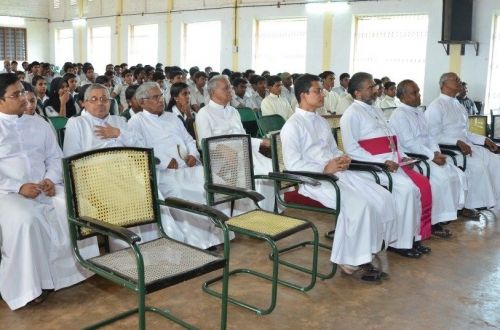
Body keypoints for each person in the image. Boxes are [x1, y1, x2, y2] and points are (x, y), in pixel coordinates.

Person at [281, 74, 396, 282]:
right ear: (303, 95)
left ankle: (368, 249)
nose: (322, 94)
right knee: (359, 205)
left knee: (381, 195)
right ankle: (351, 261)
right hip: (314, 180)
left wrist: (342, 158)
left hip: (337, 174)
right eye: (317, 91)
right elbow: (293, 166)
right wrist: (326, 167)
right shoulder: (292, 126)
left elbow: (332, 149)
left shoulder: (320, 121)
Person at [0, 73, 98, 310]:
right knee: (28, 220)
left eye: (23, 92)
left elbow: (55, 157)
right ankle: (31, 285)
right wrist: (18, 186)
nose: (24, 98)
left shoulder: (39, 123)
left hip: (44, 186)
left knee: (79, 206)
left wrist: (50, 179)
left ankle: (79, 269)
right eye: (16, 95)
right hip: (7, 192)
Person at [63, 83, 183, 247]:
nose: (100, 103)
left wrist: (117, 133)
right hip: (96, 176)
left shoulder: (119, 120)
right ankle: (132, 249)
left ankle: (163, 243)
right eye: (94, 99)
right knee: (126, 202)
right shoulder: (77, 123)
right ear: (84, 102)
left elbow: (141, 147)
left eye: (105, 99)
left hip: (128, 170)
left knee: (151, 195)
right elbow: (71, 158)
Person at [128, 82, 231, 249]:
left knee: (211, 182)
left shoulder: (172, 117)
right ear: (142, 102)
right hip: (164, 172)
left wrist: (192, 155)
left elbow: (189, 140)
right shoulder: (135, 122)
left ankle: (217, 234)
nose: (160, 100)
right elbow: (140, 150)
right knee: (180, 191)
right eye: (155, 97)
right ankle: (197, 241)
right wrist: (163, 161)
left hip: (188, 166)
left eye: (161, 96)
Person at [340, 72, 430, 258]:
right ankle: (399, 243)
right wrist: (382, 161)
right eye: (370, 87)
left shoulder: (376, 109)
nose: (376, 90)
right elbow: (352, 149)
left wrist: (402, 156)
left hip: (391, 162)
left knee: (413, 191)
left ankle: (412, 238)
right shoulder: (351, 114)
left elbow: (390, 139)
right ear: (357, 92)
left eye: (374, 86)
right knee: (405, 190)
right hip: (371, 167)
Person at [389, 80, 467, 237]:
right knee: (440, 179)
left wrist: (436, 153)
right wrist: (431, 156)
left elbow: (430, 136)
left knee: (456, 174)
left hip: (429, 154)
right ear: (403, 96)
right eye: (414, 93)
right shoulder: (399, 114)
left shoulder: (418, 111)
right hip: (414, 157)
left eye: (418, 91)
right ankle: (433, 221)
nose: (418, 95)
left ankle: (444, 216)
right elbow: (409, 143)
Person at [195, 75, 276, 212]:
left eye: (230, 87)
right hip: (223, 160)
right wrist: (231, 151)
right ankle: (253, 213)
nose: (230, 91)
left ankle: (268, 212)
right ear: (213, 92)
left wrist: (262, 142)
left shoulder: (233, 111)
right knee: (257, 175)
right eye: (226, 88)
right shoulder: (204, 113)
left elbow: (243, 137)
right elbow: (207, 145)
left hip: (244, 153)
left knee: (271, 169)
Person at [425, 72, 500, 213]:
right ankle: (470, 205)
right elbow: (432, 136)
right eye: (456, 80)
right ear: (444, 85)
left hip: (467, 146)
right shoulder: (435, 106)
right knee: (478, 166)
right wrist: (457, 142)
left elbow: (466, 133)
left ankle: (494, 200)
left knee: (496, 161)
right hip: (450, 150)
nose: (460, 82)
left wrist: (484, 139)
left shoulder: (458, 105)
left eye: (459, 80)